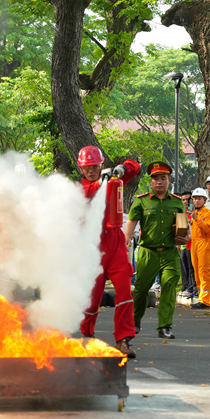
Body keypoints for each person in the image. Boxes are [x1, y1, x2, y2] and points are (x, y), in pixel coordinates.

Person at [76, 146, 140, 358]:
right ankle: (87, 334)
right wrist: (102, 180)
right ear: (81, 169)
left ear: (101, 165)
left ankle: (123, 340)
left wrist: (121, 169)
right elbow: (92, 190)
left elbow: (136, 166)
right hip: (93, 246)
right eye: (87, 168)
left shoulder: (112, 181)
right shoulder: (79, 190)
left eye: (95, 166)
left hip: (116, 244)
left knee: (124, 292)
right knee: (93, 298)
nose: (91, 170)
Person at [126, 161, 190, 339]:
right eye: (155, 178)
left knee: (169, 287)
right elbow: (130, 224)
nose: (159, 182)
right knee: (141, 289)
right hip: (148, 252)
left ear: (169, 180)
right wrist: (125, 240)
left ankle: (165, 326)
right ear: (151, 181)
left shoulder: (177, 203)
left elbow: (185, 228)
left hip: (170, 252)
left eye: (163, 178)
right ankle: (135, 321)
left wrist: (187, 236)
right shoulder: (141, 201)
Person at [189, 188, 210, 309]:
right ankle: (200, 297)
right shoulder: (194, 214)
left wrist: (196, 219)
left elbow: (207, 230)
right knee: (197, 272)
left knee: (205, 271)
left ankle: (205, 300)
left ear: (204, 200)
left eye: (199, 198)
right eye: (195, 199)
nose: (197, 201)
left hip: (204, 244)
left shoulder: (208, 213)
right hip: (194, 244)